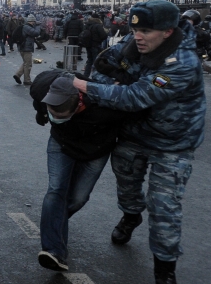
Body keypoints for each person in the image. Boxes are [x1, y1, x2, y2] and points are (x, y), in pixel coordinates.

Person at [72, 0, 206, 284]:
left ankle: (164, 269)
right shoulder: (134, 45)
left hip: (173, 144)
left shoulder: (182, 62)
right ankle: (131, 216)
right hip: (133, 135)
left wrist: (84, 86)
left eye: (146, 30)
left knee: (164, 207)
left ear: (168, 32)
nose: (138, 36)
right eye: (136, 30)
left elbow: (135, 97)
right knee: (127, 186)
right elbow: (102, 63)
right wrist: (112, 83)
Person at [31, 72, 136, 272]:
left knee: (77, 199)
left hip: (95, 151)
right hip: (61, 144)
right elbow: (38, 99)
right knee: (56, 191)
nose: (55, 117)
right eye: (52, 111)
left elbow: (137, 108)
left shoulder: (107, 107)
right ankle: (54, 250)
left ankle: (52, 225)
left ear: (79, 105)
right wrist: (42, 113)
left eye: (61, 116)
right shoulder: (42, 87)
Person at [13, 14, 40, 85]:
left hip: (22, 47)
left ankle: (18, 75)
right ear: (32, 21)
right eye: (34, 21)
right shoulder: (27, 27)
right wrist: (38, 26)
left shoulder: (25, 26)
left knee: (26, 62)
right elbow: (36, 33)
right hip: (26, 47)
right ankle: (27, 80)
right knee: (28, 64)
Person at [82, 13, 107, 77]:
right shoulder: (98, 26)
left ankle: (85, 75)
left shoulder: (87, 25)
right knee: (96, 61)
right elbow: (104, 36)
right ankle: (95, 76)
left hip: (88, 45)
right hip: (96, 45)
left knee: (89, 61)